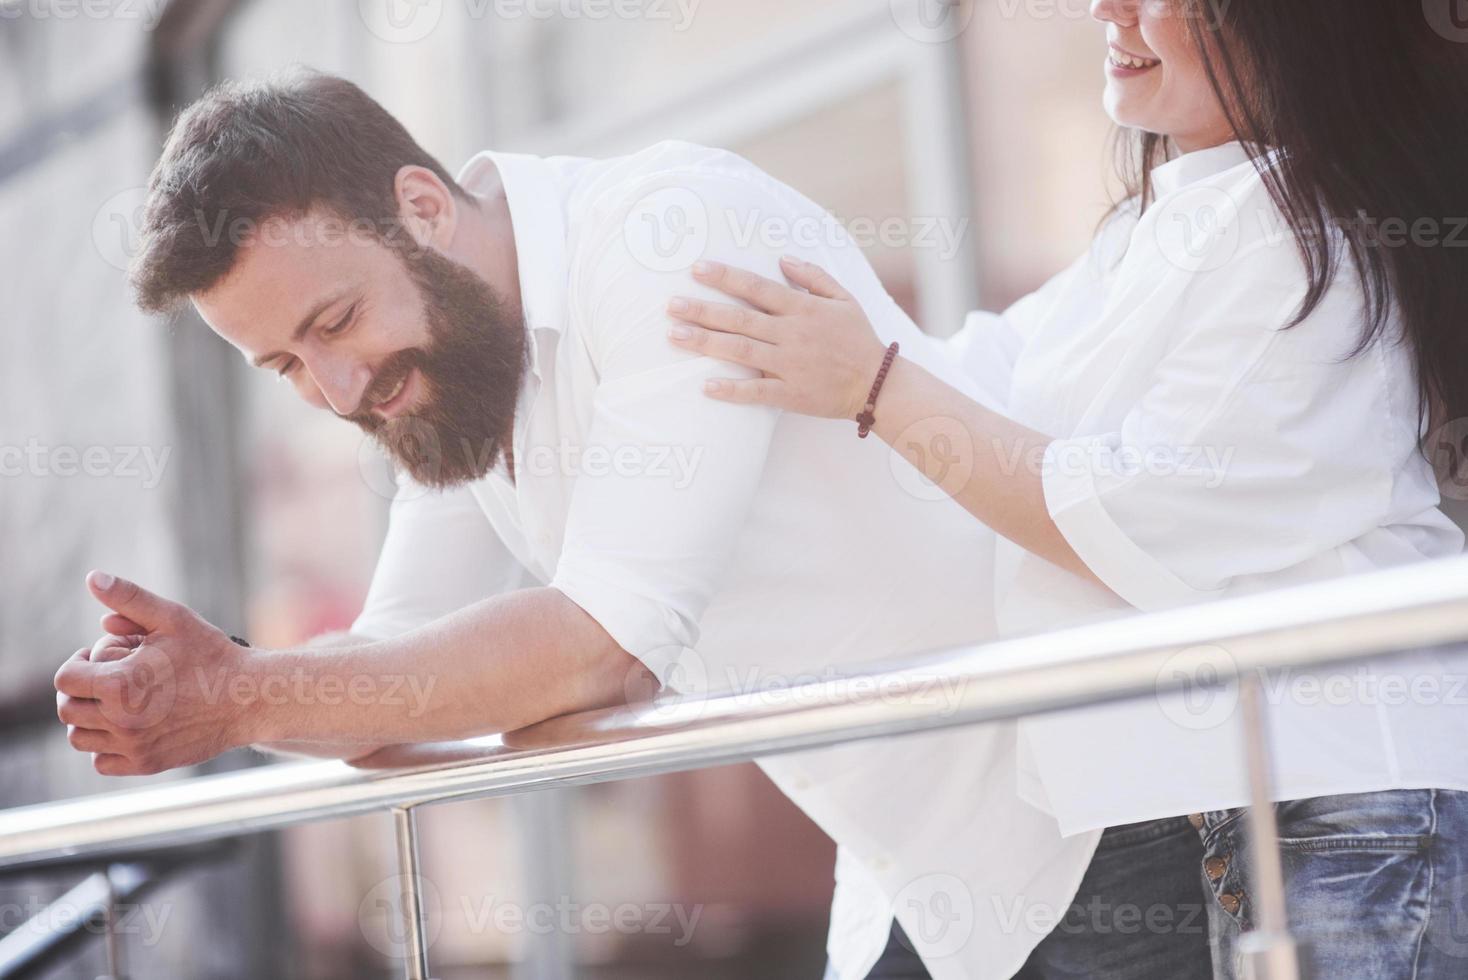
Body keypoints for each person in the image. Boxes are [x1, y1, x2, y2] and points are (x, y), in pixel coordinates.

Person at [52, 70, 1102, 980]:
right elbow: (386, 678)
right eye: (285, 365)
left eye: (333, 322)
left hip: (1085, 821)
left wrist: (250, 698)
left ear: (420, 206)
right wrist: (223, 678)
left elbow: (603, 640)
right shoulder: (450, 369)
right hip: (915, 879)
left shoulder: (667, 235)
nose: (335, 387)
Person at [663, 1, 1468, 978]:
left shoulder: (1298, 237)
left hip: (1349, 795)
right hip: (1261, 799)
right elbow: (976, 375)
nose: (1108, 10)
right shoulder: (1154, 230)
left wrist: (873, 385)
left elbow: (1121, 512)